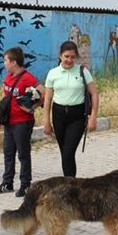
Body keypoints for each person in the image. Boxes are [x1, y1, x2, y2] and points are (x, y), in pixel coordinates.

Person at [0, 47, 45, 197]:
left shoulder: (27, 77)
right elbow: (6, 99)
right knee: (8, 153)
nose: (4, 64)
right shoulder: (8, 77)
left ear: (14, 62)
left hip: (22, 122)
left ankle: (25, 184)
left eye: (5, 61)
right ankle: (7, 182)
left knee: (23, 154)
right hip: (9, 121)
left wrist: (32, 106)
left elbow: (43, 92)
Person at [43, 41, 99, 177]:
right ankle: (70, 185)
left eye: (73, 57)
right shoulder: (53, 73)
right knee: (64, 153)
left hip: (77, 117)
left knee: (68, 152)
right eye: (66, 56)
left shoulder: (83, 72)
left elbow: (94, 94)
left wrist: (93, 117)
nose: (69, 60)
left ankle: (70, 186)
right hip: (59, 115)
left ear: (76, 57)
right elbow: (48, 99)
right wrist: (46, 122)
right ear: (60, 56)